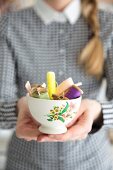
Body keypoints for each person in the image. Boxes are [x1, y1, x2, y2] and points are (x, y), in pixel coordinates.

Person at [0, 0, 113, 169]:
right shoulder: (8, 26)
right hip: (25, 163)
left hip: (92, 162)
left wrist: (98, 112)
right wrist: (19, 108)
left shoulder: (109, 24)